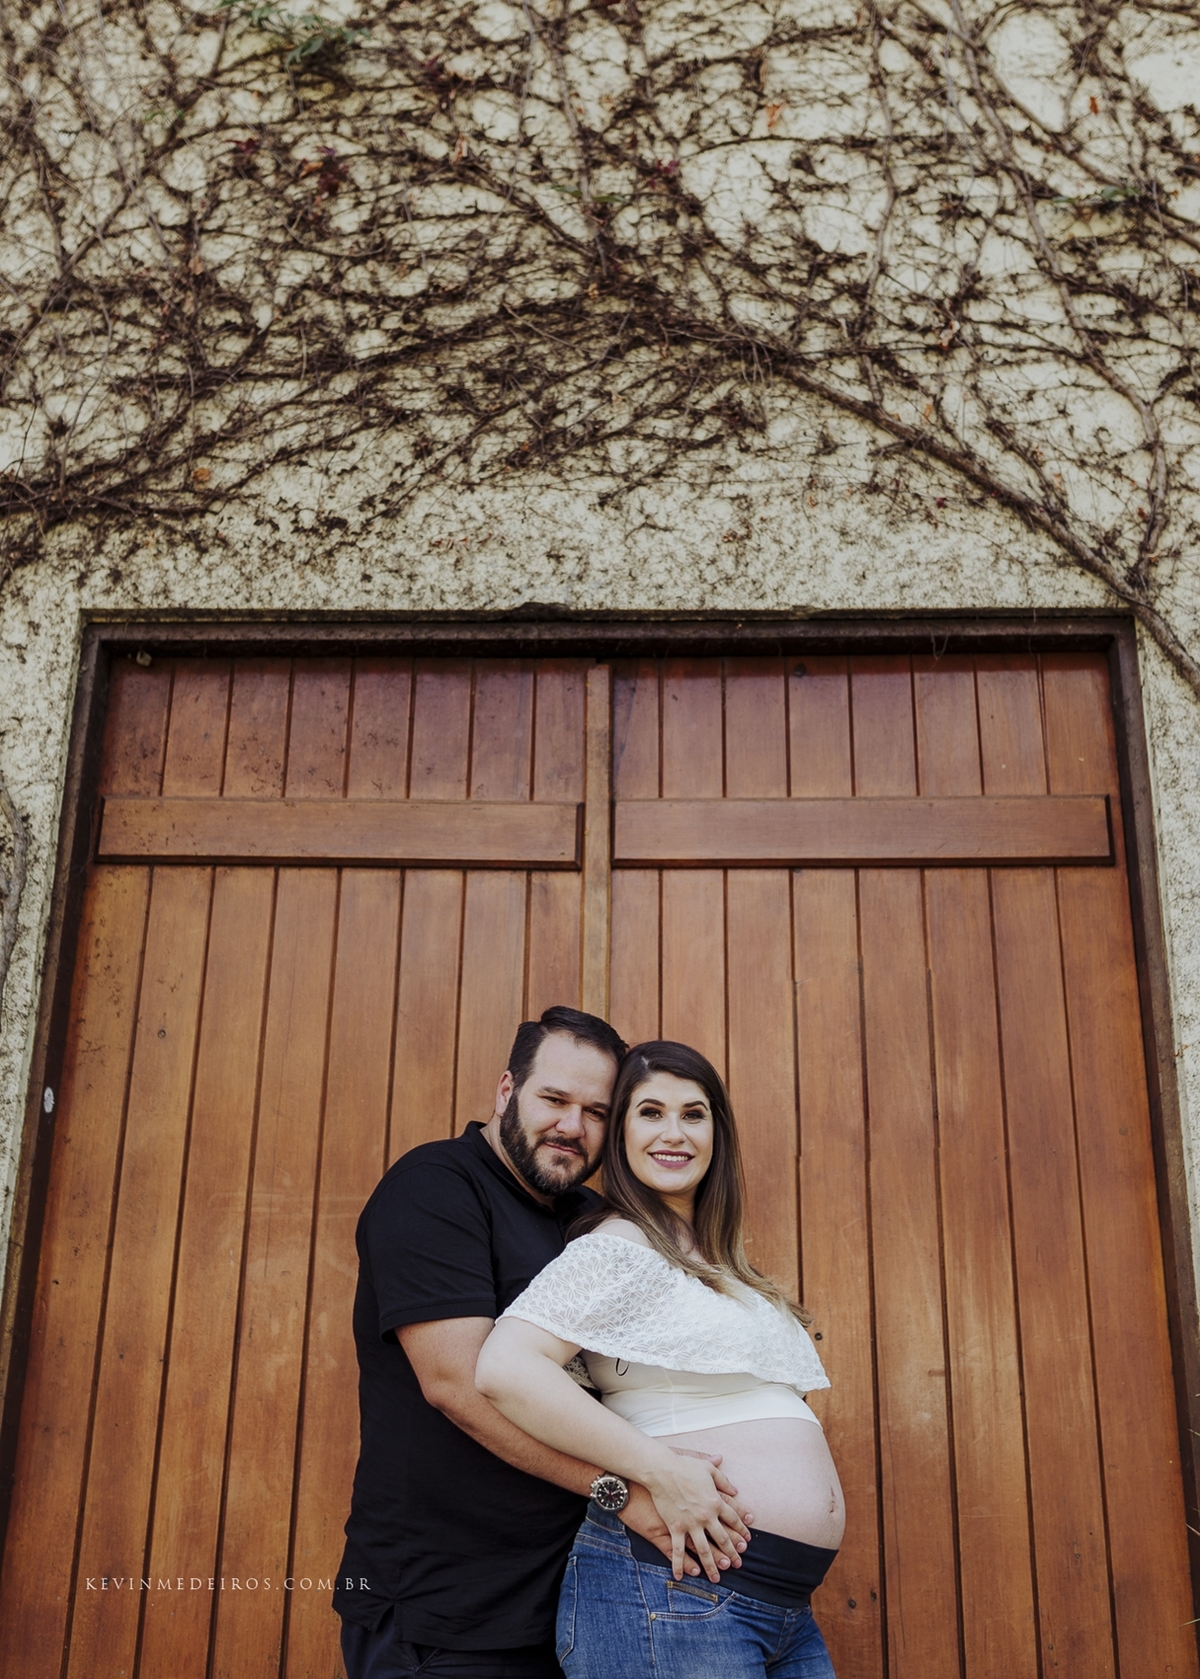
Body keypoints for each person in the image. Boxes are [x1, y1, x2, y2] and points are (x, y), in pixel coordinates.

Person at [333, 1008, 750, 1679]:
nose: (571, 1126)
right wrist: (632, 1489)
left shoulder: (591, 1223)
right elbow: (457, 1384)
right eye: (553, 1099)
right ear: (507, 1092)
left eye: (595, 1111)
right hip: (448, 1610)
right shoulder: (437, 1185)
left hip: (575, 1603)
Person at [476, 1039, 845, 1679]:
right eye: (649, 1113)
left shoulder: (721, 1260)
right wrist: (658, 1470)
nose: (673, 1133)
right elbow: (505, 1368)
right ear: (619, 1134)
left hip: (777, 1605)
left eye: (693, 1114)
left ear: (716, 1132)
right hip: (674, 1592)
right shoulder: (620, 1244)